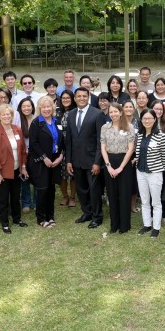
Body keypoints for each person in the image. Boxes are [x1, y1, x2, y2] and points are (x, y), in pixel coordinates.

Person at [66, 87, 107, 228]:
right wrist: (69, 161)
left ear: (88, 97)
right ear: (75, 98)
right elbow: (69, 140)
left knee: (94, 190)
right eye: (79, 96)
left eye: (84, 96)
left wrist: (97, 162)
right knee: (81, 189)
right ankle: (87, 212)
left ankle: (97, 216)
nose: (82, 98)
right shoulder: (71, 114)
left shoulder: (97, 114)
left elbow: (100, 141)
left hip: (92, 161)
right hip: (76, 161)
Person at [0, 104, 29, 234]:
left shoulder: (17, 129)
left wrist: (23, 167)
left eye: (9, 114)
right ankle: (5, 223)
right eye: (4, 114)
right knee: (2, 199)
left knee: (15, 197)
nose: (6, 116)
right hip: (2, 172)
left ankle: (17, 219)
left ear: (12, 116)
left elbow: (23, 151)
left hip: (16, 169)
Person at [28, 96, 64, 227]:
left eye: (49, 106)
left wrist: (61, 157)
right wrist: (44, 158)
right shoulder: (36, 123)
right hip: (40, 161)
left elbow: (62, 141)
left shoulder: (57, 121)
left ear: (52, 108)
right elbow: (33, 144)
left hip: (55, 160)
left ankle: (50, 216)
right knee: (43, 189)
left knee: (51, 189)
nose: (47, 109)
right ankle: (41, 218)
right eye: (44, 107)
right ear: (39, 108)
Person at [100, 102, 136, 234]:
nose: (113, 114)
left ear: (121, 112)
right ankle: (114, 224)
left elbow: (131, 148)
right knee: (112, 194)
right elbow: (103, 147)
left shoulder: (129, 127)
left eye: (116, 111)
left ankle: (124, 225)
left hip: (124, 163)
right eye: (111, 112)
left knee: (124, 194)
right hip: (109, 161)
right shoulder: (105, 128)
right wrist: (108, 166)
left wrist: (121, 167)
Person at [134, 109, 165, 238]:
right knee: (144, 200)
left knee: (156, 201)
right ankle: (147, 224)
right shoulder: (139, 134)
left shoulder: (161, 135)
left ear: (155, 120)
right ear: (141, 120)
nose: (147, 121)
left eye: (149, 118)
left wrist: (158, 168)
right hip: (140, 172)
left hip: (155, 173)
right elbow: (138, 153)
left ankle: (156, 227)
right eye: (144, 118)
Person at [15, 97, 36, 213]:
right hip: (22, 154)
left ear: (32, 107)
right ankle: (26, 203)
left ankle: (37, 202)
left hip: (36, 154)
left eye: (28, 106)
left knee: (37, 179)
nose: (26, 108)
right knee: (24, 178)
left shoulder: (37, 119)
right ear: (20, 108)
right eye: (24, 106)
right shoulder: (18, 121)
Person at [57, 89, 77, 207]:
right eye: (63, 98)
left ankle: (73, 197)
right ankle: (65, 196)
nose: (65, 100)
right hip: (59, 146)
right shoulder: (57, 112)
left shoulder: (75, 112)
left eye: (68, 98)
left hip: (72, 146)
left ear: (72, 99)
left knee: (72, 173)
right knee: (61, 174)